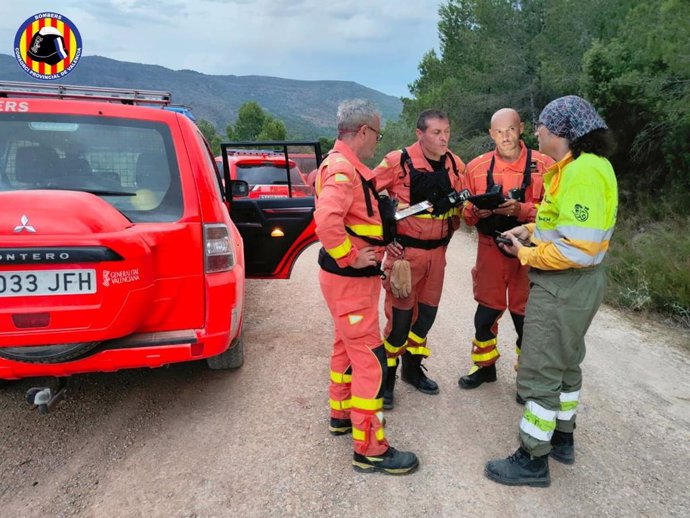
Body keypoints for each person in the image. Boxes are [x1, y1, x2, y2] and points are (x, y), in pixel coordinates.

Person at [484, 96, 618, 487]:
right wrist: (525, 231)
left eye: (542, 125)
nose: (537, 131)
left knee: (540, 369)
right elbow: (559, 225)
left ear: (561, 131)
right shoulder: (580, 167)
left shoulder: (582, 173)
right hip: (577, 284)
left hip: (564, 286)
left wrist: (525, 254)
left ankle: (532, 458)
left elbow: (578, 248)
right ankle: (562, 438)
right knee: (566, 363)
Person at [314, 99, 418, 475]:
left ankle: (341, 415)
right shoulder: (344, 169)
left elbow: (360, 218)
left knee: (344, 346)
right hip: (350, 281)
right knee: (370, 359)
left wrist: (377, 242)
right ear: (362, 132)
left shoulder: (344, 165)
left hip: (342, 283)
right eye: (377, 133)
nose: (377, 141)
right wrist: (350, 256)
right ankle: (370, 447)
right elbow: (326, 220)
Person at [373, 109, 465, 409]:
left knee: (424, 319)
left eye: (447, 132)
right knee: (399, 323)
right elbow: (367, 197)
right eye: (437, 132)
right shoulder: (397, 162)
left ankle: (412, 370)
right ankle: (386, 378)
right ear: (419, 133)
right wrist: (386, 240)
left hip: (437, 254)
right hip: (405, 257)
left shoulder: (454, 164)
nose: (443, 138)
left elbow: (464, 202)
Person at [458, 109, 553, 390]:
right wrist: (476, 211)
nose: (505, 137)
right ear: (490, 134)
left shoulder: (545, 165)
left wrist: (522, 209)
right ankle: (485, 367)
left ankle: (528, 377)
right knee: (486, 313)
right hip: (490, 248)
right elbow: (464, 214)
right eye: (499, 132)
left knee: (527, 318)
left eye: (510, 129)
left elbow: (556, 213)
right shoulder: (475, 167)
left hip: (530, 250)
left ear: (521, 128)